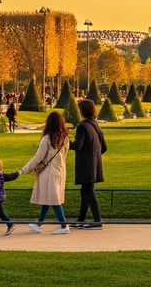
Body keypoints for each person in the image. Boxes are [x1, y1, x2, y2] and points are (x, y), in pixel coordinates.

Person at [19, 111, 71, 233]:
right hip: (60, 170)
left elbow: (38, 157)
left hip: (49, 172)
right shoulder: (65, 138)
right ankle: (39, 224)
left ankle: (64, 226)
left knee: (54, 199)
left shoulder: (47, 138)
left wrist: (24, 170)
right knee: (49, 198)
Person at [71, 98, 107, 229]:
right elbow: (104, 147)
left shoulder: (82, 126)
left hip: (85, 165)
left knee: (89, 191)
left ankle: (97, 221)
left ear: (82, 111)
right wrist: (94, 156)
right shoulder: (96, 125)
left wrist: (64, 141)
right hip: (94, 164)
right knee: (85, 191)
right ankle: (81, 219)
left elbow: (77, 146)